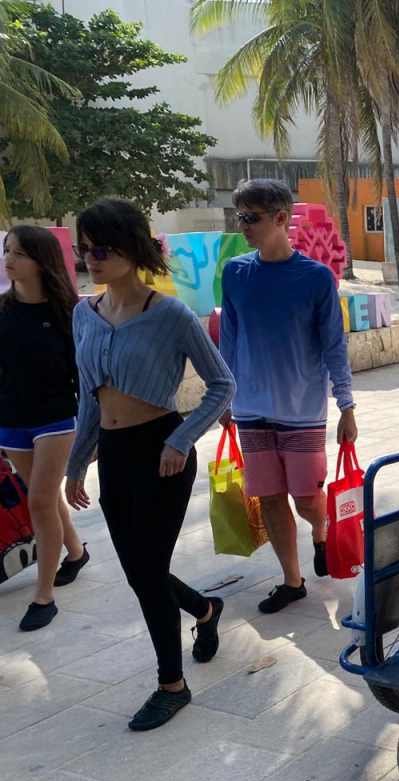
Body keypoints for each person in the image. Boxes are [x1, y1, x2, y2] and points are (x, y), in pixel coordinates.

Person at [65, 199, 234, 732]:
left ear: (132, 248)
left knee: (146, 574)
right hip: (115, 456)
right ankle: (205, 609)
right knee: (143, 572)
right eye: (85, 249)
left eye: (102, 249)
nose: (91, 259)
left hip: (163, 454)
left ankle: (171, 686)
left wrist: (181, 440)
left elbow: (222, 385)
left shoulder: (169, 314)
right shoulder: (83, 314)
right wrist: (77, 462)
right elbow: (89, 398)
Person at [217, 179, 357, 615]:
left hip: (302, 410)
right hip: (250, 408)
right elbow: (229, 337)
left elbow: (334, 345)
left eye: (251, 217)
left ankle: (320, 530)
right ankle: (292, 581)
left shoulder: (315, 278)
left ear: (280, 218)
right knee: (271, 496)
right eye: (239, 217)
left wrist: (346, 405)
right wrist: (223, 396)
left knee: (307, 498)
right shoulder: (235, 273)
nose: (243, 226)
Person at [0, 227, 89, 631]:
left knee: (38, 500)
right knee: (45, 496)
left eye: (19, 253)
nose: (9, 259)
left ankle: (44, 595)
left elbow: (83, 375)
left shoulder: (68, 312)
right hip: (11, 420)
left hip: (56, 418)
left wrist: (92, 432)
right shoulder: (3, 310)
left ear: (41, 260)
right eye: (7, 251)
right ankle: (76, 553)